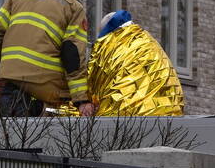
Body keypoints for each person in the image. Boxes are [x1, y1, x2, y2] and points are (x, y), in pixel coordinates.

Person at [0, 0, 94, 117]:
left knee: (8, 136)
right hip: (44, 89)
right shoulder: (73, 6)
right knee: (36, 136)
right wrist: (81, 100)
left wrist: (9, 62)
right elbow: (72, 54)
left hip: (12, 84)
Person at [56, 10, 184, 116]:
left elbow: (92, 85)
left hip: (123, 119)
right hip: (169, 116)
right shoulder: (149, 42)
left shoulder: (107, 46)